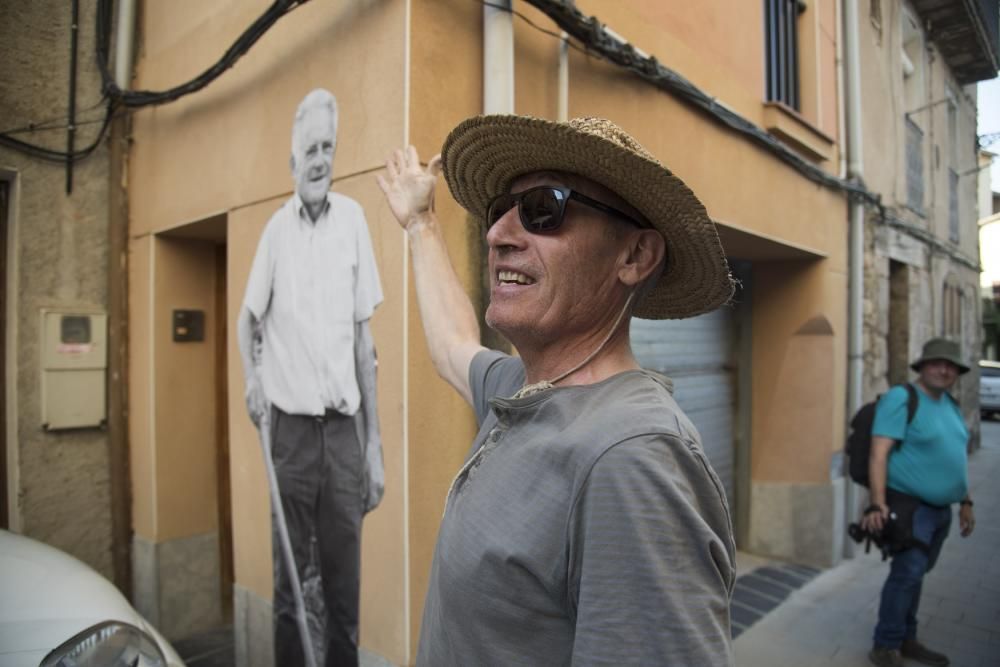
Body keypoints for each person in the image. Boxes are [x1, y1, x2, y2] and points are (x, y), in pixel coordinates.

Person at [377, 115, 736, 666]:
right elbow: (452, 346)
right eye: (502, 211)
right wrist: (421, 223)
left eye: (545, 208)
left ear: (635, 257)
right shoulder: (522, 391)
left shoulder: (631, 458)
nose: (497, 234)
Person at [238, 88, 384, 667]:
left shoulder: (353, 221)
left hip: (344, 436)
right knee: (290, 591)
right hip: (292, 438)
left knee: (344, 590)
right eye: (310, 149)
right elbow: (248, 317)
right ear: (292, 162)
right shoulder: (276, 233)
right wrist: (252, 377)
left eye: (328, 146)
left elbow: (364, 344)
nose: (320, 159)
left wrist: (374, 445)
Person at [862, 338, 976, 667]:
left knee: (917, 574)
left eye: (951, 366)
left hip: (940, 512)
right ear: (922, 366)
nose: (944, 369)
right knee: (907, 573)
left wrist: (965, 500)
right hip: (911, 508)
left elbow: (955, 457)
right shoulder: (903, 398)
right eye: (937, 363)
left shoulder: (950, 405)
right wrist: (876, 504)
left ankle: (906, 639)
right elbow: (878, 454)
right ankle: (885, 646)